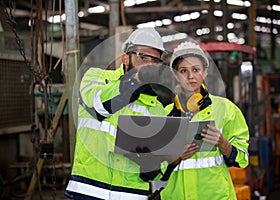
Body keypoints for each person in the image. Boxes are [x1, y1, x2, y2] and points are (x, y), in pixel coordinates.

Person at [65, 27, 197, 200]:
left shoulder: (155, 107)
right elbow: (99, 106)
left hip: (131, 195)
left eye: (155, 61)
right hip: (88, 190)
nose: (148, 65)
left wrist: (171, 157)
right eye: (142, 57)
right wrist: (135, 80)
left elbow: (155, 172)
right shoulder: (97, 78)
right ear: (125, 58)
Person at [156, 41, 250, 200]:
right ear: (175, 74)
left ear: (205, 72)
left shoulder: (226, 110)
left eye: (196, 70)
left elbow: (243, 158)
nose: (190, 76)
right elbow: (152, 167)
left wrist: (223, 144)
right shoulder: (164, 116)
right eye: (183, 71)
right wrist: (175, 157)